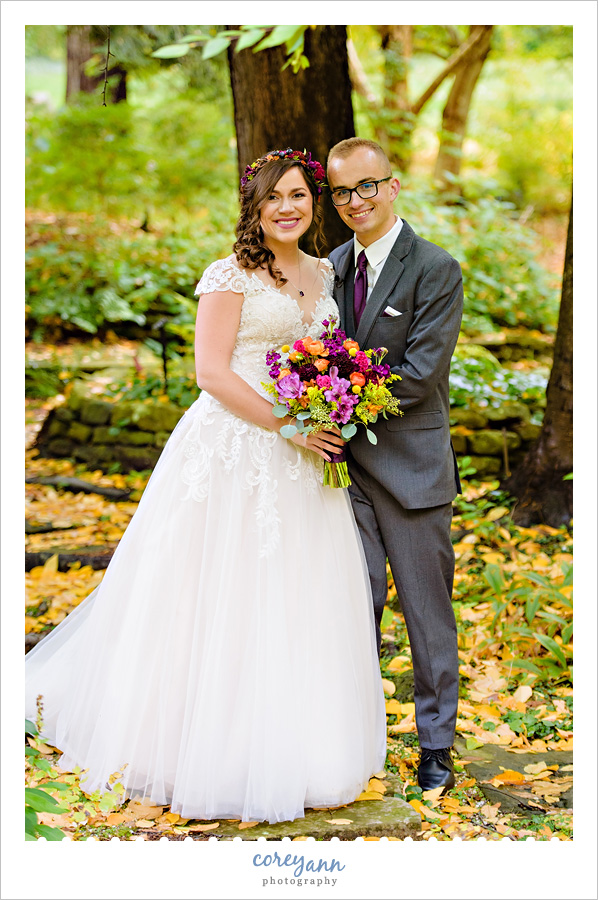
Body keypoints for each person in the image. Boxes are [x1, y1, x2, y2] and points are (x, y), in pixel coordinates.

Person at [25, 148, 387, 825]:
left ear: (314, 204)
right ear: (255, 205)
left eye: (300, 196)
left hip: (306, 463)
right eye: (274, 196)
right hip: (235, 451)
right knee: (217, 593)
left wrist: (330, 409)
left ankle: (299, 748)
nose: (288, 207)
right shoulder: (230, 275)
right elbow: (212, 374)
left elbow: (326, 359)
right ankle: (195, 747)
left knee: (297, 597)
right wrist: (289, 426)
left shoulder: (326, 270)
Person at [327, 138, 463, 792]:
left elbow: (415, 376)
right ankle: (353, 743)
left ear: (393, 185)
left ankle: (436, 748)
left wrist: (330, 406)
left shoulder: (436, 269)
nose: (356, 202)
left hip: (411, 473)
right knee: (351, 610)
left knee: (427, 618)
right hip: (339, 477)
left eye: (367, 187)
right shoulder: (327, 266)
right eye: (343, 192)